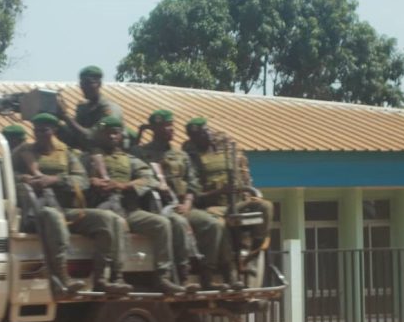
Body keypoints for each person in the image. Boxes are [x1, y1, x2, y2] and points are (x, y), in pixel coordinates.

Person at [11, 113, 132, 297]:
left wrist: (54, 180)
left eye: (44, 130)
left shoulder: (66, 154)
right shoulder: (23, 152)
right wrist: (25, 178)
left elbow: (82, 180)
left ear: (54, 131)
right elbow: (5, 174)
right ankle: (62, 279)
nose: (39, 134)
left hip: (65, 208)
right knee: (54, 217)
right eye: (36, 130)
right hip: (37, 210)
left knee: (106, 219)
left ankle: (102, 279)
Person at [82, 115, 187, 295]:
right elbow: (76, 178)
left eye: (115, 133)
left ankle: (163, 276)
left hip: (129, 209)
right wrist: (92, 181)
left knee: (161, 224)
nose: (112, 137)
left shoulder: (129, 159)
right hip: (101, 207)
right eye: (107, 133)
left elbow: (150, 179)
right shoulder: (87, 158)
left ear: (121, 136)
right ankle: (116, 276)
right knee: (113, 223)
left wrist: (122, 185)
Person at [132, 109, 223, 290]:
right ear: (154, 129)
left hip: (182, 205)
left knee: (213, 224)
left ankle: (207, 274)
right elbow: (137, 178)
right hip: (157, 207)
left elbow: (193, 183)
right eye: (164, 126)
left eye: (171, 125)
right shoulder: (140, 153)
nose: (170, 129)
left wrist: (188, 203)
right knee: (179, 223)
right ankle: (183, 277)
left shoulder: (181, 155)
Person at [182, 117, 273, 287]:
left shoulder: (227, 151)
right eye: (200, 134)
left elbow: (243, 178)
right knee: (220, 225)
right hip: (211, 208)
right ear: (193, 138)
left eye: (206, 131)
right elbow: (195, 195)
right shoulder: (191, 159)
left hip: (236, 202)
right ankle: (229, 270)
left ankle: (252, 254)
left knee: (265, 207)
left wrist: (242, 190)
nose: (206, 135)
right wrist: (220, 191)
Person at [57, 65, 123, 150]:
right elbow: (73, 136)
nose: (84, 87)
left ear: (99, 84)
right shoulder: (83, 108)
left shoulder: (109, 109)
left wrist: (65, 116)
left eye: (89, 83)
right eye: (82, 83)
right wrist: (56, 119)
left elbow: (92, 138)